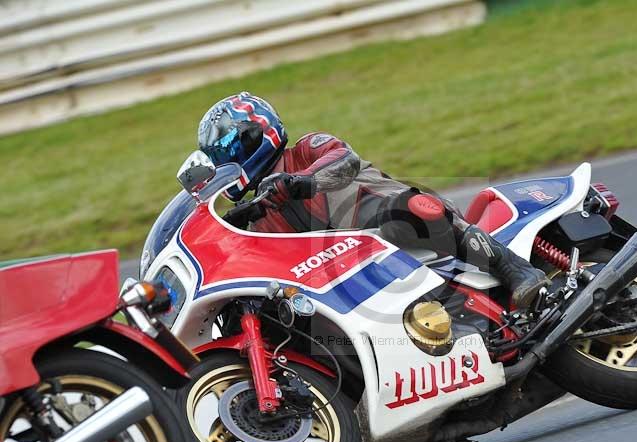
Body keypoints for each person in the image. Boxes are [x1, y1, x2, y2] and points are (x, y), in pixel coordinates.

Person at [197, 92, 548, 308]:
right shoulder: (259, 216)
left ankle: (513, 267)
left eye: (229, 148)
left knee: (410, 211)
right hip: (352, 273)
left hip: (392, 225)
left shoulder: (306, 148)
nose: (226, 160)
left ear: (254, 135)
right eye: (218, 156)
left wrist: (301, 181)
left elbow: (343, 161)